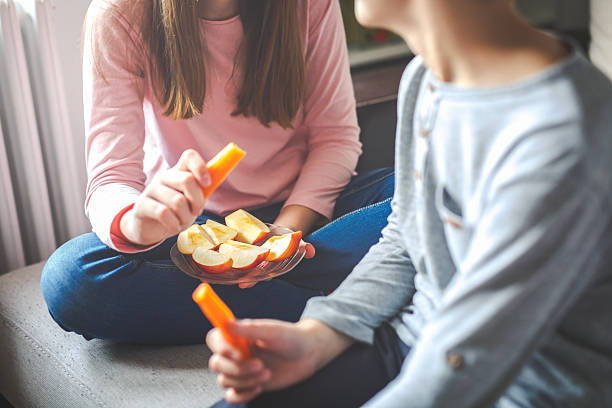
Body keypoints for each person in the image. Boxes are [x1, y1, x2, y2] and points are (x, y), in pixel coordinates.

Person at [206, 0, 612, 407]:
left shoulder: (562, 135)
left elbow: (470, 356)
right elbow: (405, 237)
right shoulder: (427, 76)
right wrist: (318, 336)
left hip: (519, 388)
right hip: (414, 340)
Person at [40, 0, 395, 345]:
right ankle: (347, 296)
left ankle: (328, 294)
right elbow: (111, 177)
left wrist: (283, 237)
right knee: (71, 279)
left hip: (302, 216)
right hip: (195, 230)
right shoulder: (120, 14)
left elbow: (336, 137)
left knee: (427, 196)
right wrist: (138, 222)